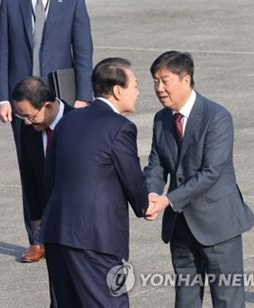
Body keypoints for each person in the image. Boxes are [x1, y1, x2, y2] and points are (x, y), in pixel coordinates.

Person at [144, 50, 254, 308]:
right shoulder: (161, 119)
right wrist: (152, 192)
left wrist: (167, 200)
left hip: (217, 224)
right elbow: (156, 164)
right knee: (186, 299)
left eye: (165, 80)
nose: (159, 88)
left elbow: (211, 172)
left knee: (227, 299)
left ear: (186, 79)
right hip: (180, 226)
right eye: (154, 81)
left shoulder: (216, 117)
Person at [41, 58, 148, 307]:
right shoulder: (120, 127)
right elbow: (132, 179)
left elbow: (50, 177)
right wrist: (145, 205)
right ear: (118, 90)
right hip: (94, 238)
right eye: (135, 84)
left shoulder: (67, 121)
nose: (138, 91)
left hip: (57, 232)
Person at [0, 0, 93, 260]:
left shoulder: (72, 3)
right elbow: (2, 49)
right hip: (22, 101)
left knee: (63, 165)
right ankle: (37, 239)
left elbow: (83, 50)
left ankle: (65, 232)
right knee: (29, 169)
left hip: (59, 97)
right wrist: (2, 98)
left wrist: (83, 96)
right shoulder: (11, 4)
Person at [11, 77, 74, 262]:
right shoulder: (29, 129)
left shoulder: (77, 122)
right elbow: (28, 174)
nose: (27, 122)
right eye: (22, 116)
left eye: (30, 116)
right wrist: (36, 216)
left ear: (47, 106)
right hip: (49, 223)